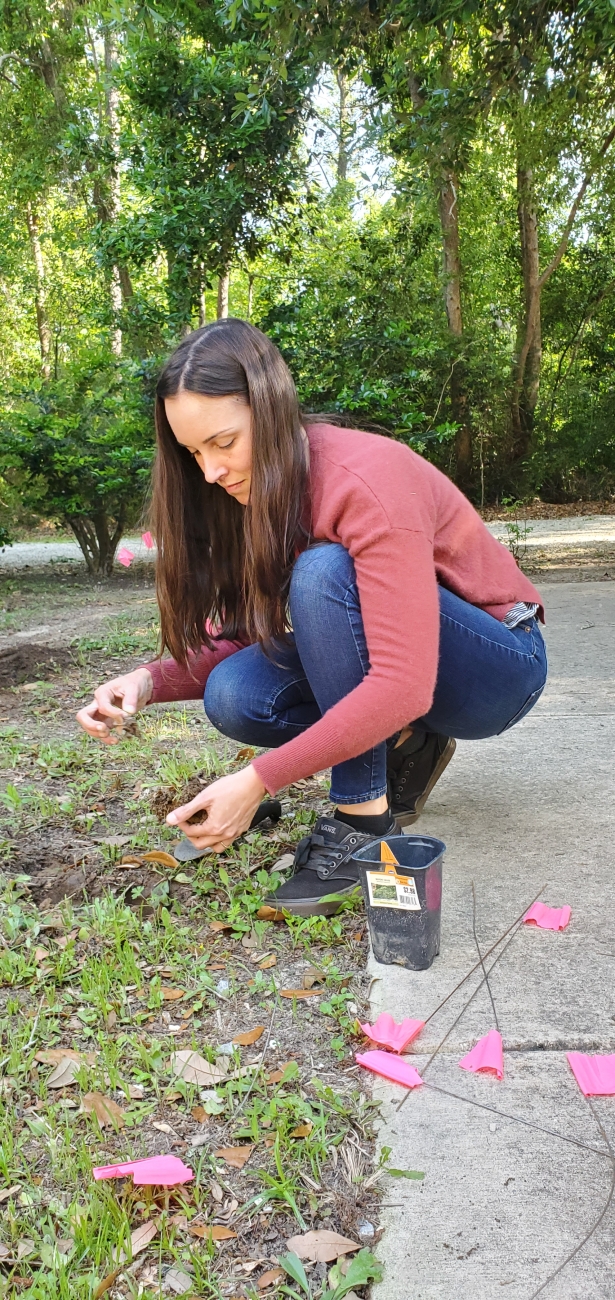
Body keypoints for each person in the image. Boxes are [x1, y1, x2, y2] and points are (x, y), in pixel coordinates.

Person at [77, 319, 547, 917]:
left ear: (271, 410)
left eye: (224, 442)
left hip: (497, 667)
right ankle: (410, 743)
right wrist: (148, 680)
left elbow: (403, 683)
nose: (211, 471)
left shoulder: (364, 479)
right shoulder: (249, 492)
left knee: (324, 572)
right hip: (415, 675)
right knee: (236, 695)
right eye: (195, 452)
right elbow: (249, 635)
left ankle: (362, 822)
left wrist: (257, 781)